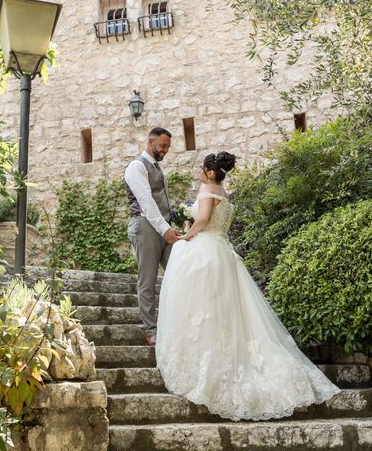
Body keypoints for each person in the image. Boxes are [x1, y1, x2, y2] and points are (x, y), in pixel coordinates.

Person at [155, 151, 340, 420]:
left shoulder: (207, 189)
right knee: (226, 311)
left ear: (209, 172)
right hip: (222, 251)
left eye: (201, 168)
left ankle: (210, 370)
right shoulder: (224, 191)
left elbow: (204, 218)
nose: (199, 172)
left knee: (204, 308)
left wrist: (186, 235)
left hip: (206, 253)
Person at [125, 127, 179, 347]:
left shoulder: (156, 167)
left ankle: (176, 324)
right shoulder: (136, 166)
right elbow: (146, 201)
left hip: (162, 226)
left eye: (167, 147)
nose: (165, 150)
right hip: (145, 225)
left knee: (178, 272)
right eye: (162, 146)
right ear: (150, 142)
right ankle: (151, 331)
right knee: (147, 281)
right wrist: (164, 229)